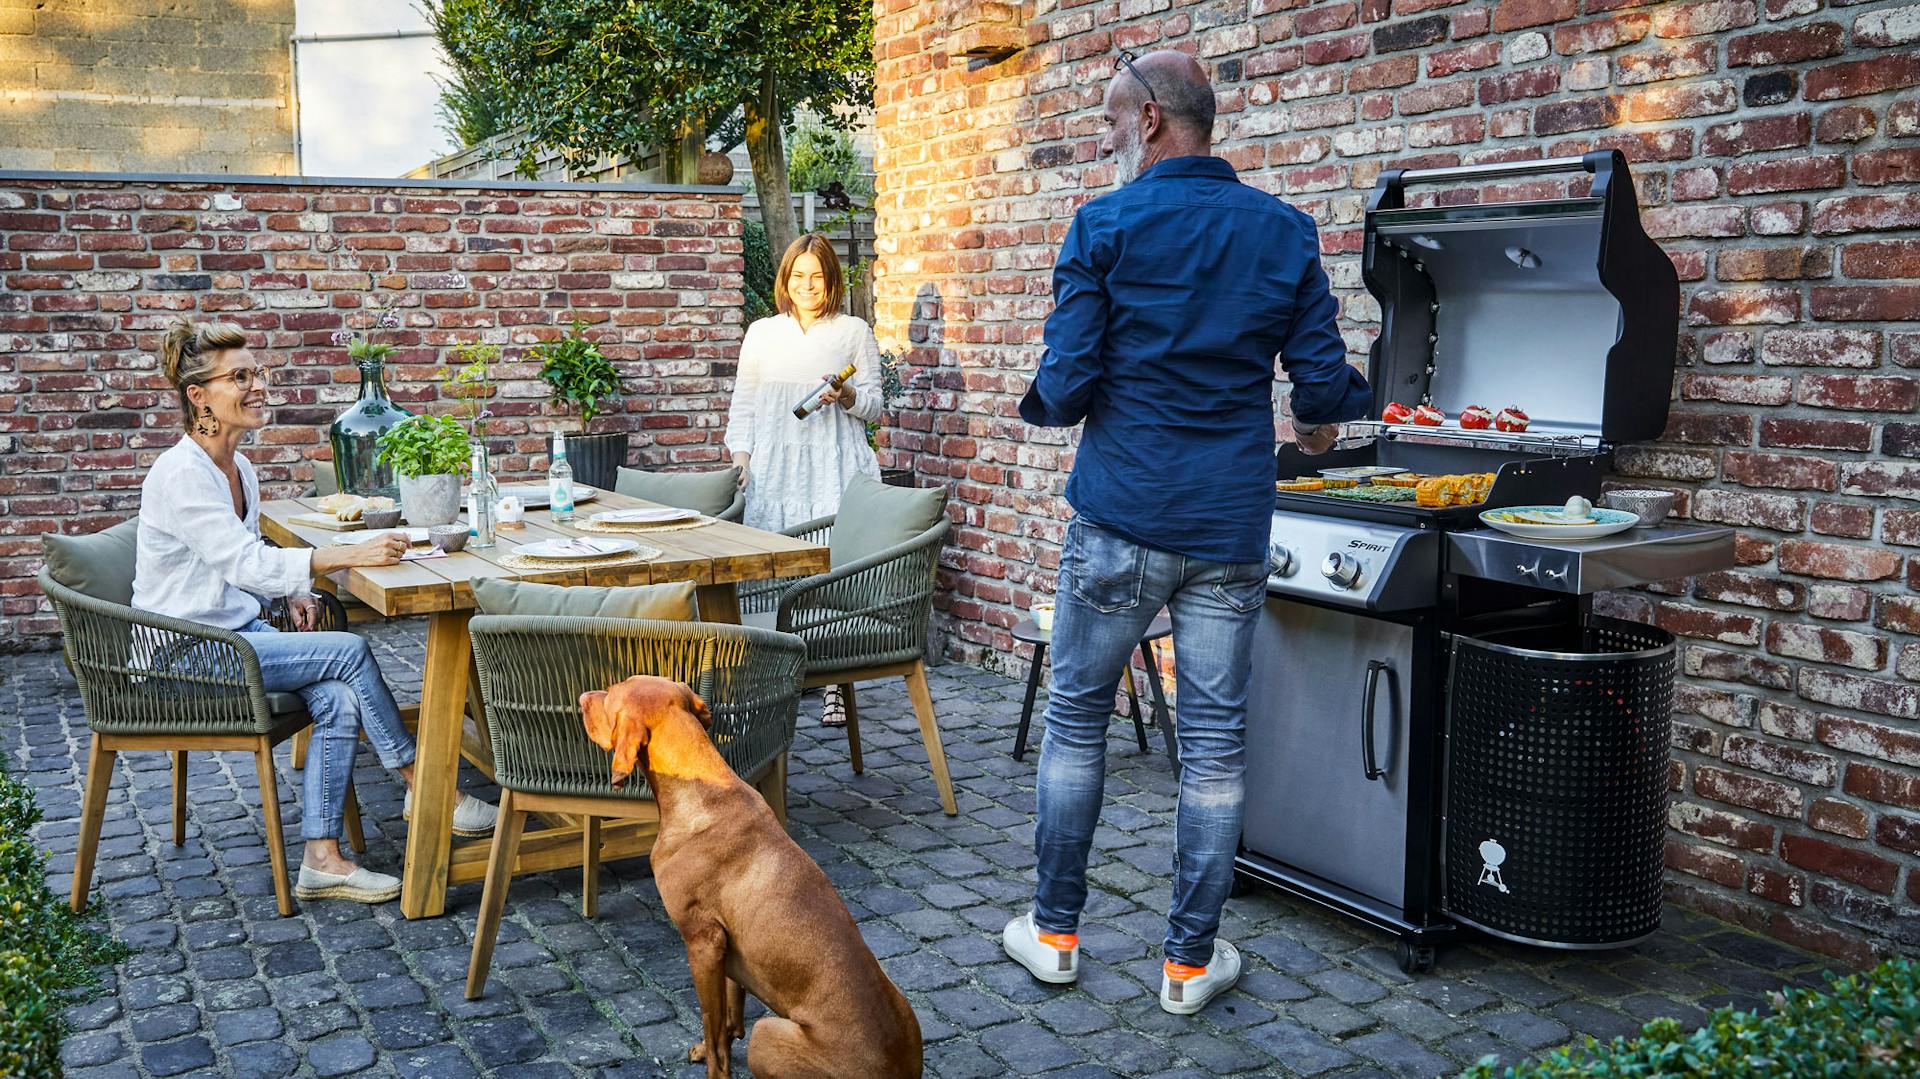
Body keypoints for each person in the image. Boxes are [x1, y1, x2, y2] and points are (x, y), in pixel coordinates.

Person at [1002, 50, 1370, 1015]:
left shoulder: (1103, 226)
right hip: (1229, 525)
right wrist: (1325, 427)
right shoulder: (1284, 231)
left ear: (1154, 120)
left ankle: (1054, 935)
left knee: (1075, 721)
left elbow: (1066, 385)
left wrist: (1053, 396)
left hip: (1121, 514)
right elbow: (1320, 393)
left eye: (1112, 121)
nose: (1106, 139)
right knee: (1213, 746)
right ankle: (1188, 964)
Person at [133, 318, 499, 905]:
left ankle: (322, 860)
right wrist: (347, 555)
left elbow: (236, 565)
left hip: (234, 635)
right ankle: (426, 786)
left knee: (338, 696)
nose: (258, 386)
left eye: (257, 373)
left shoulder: (238, 468)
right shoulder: (182, 474)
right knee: (349, 652)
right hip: (183, 652)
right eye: (239, 378)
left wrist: (290, 595)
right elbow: (244, 562)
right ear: (198, 396)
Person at [725, 234, 885, 726]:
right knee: (774, 573)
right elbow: (744, 405)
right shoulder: (762, 334)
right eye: (798, 276)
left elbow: (876, 407)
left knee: (830, 569)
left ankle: (835, 681)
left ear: (831, 280)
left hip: (834, 467)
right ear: (786, 280)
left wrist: (848, 395)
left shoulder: (853, 331)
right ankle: (778, 677)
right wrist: (742, 460)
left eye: (817, 276)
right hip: (775, 470)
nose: (807, 286)